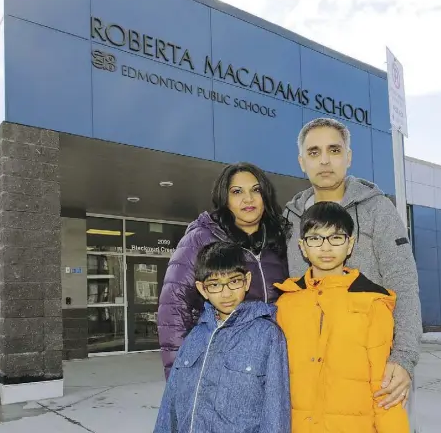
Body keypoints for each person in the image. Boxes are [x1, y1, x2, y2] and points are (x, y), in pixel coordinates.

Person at [284, 118, 422, 414]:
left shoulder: (378, 209)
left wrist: (404, 358)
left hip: (373, 370)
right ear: (301, 162)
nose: (324, 160)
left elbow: (404, 284)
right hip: (310, 373)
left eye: (334, 150)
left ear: (348, 157)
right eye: (313, 152)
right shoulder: (290, 217)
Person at [275, 201, 409, 432]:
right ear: (302, 247)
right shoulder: (286, 303)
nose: (326, 247)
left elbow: (384, 387)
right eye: (315, 238)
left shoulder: (372, 303)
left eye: (336, 238)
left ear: (350, 245)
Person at [157, 162, 289, 378]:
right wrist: (180, 378)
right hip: (220, 368)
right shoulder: (201, 239)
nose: (248, 199)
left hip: (272, 362)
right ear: (224, 198)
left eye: (256, 190)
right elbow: (174, 309)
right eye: (237, 192)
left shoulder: (279, 240)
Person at [155, 242, 291, 433]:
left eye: (234, 281)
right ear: (202, 289)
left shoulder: (267, 334)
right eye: (215, 285)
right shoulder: (195, 336)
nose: (226, 293)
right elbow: (170, 404)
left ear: (247, 281)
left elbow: (276, 409)